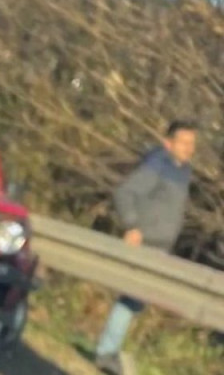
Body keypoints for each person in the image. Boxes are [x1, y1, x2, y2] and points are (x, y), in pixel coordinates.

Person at [94, 120, 197, 375]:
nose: (189, 148)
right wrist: (132, 225)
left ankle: (109, 351)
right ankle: (106, 352)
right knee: (132, 298)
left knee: (135, 300)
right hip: (146, 245)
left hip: (161, 247)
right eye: (183, 142)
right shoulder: (157, 166)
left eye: (192, 143)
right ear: (168, 143)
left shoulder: (182, 171)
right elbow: (125, 193)